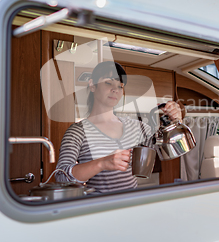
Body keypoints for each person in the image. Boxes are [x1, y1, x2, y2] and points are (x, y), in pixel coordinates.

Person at [55, 61, 182, 193]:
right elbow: (61, 177)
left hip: (130, 205)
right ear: (92, 85)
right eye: (108, 83)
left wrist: (176, 122)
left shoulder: (136, 127)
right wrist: (102, 163)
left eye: (120, 86)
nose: (115, 89)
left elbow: (166, 151)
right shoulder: (77, 132)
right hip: (98, 209)